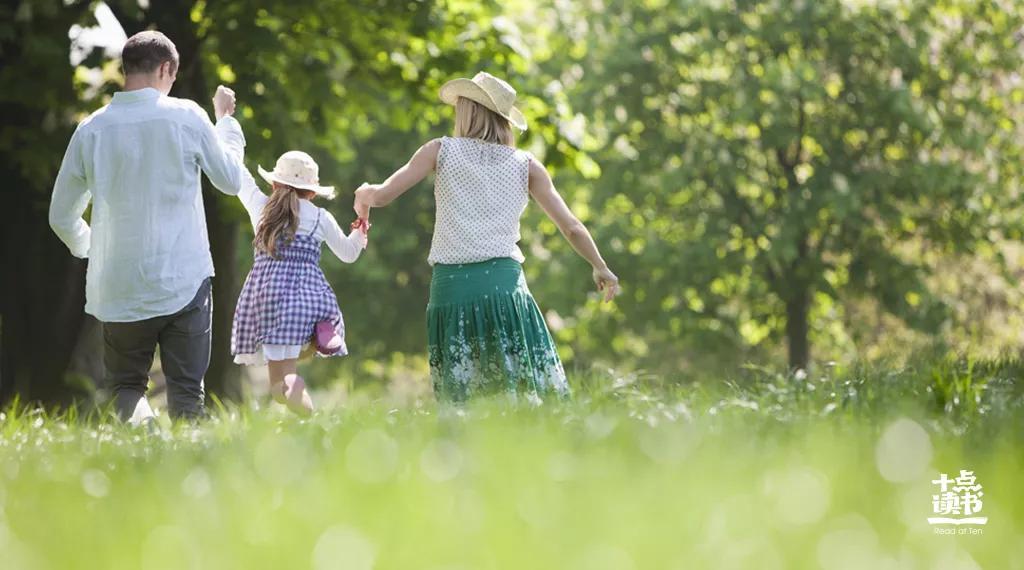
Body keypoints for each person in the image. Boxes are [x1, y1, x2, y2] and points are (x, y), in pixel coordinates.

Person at [354, 71, 619, 404]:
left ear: (467, 110)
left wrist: (363, 197)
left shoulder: (439, 151)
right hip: (504, 289)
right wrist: (600, 266)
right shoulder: (526, 165)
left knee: (464, 402)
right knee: (520, 394)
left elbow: (381, 196)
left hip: (452, 290)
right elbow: (571, 227)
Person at [48, 31, 248, 422]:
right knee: (188, 391)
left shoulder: (91, 129)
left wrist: (94, 247)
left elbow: (60, 216)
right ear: (166, 68)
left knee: (126, 388)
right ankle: (185, 473)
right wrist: (226, 123)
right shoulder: (187, 116)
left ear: (126, 69)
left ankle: (142, 447)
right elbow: (230, 180)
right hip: (183, 279)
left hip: (117, 283)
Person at [231, 151, 368, 415]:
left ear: (273, 184)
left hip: (268, 301)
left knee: (279, 388)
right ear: (312, 193)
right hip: (306, 301)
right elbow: (349, 254)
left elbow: (239, 175)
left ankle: (310, 415)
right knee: (286, 377)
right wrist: (361, 222)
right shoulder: (320, 217)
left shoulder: (261, 208)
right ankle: (322, 328)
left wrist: (225, 124)